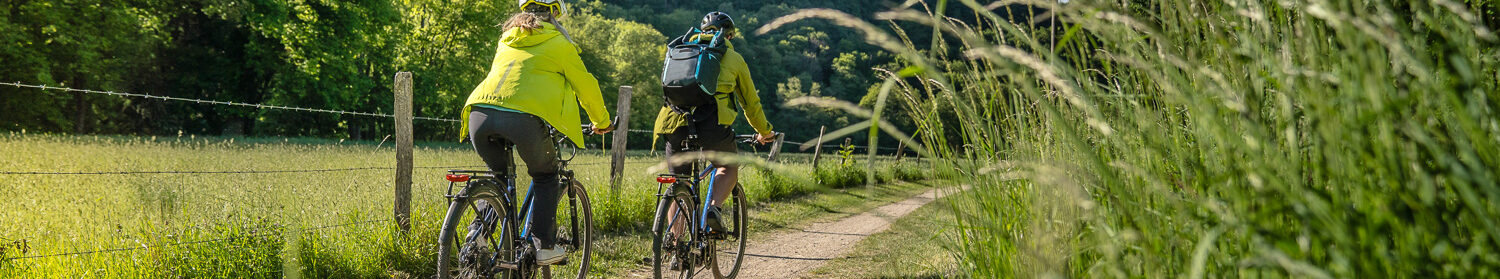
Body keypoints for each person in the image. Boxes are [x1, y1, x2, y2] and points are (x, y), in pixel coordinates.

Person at [460, 0, 612, 265]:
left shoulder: (506, 38)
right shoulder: (560, 44)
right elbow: (586, 86)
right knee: (546, 176)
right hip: (523, 119)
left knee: (498, 179)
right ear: (554, 16)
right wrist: (602, 121)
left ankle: (477, 235)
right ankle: (543, 246)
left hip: (479, 114)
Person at [654, 11, 777, 237]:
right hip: (712, 123)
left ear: (702, 32)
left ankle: (675, 244)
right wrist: (764, 131)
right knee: (728, 165)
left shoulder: (681, 49)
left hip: (673, 121)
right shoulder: (734, 58)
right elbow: (750, 103)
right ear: (728, 36)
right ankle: (714, 210)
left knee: (679, 182)